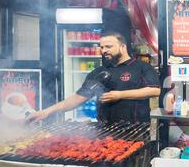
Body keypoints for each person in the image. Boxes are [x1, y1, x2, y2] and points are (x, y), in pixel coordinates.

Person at [26, 31, 161, 124]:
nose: (104, 50)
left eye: (109, 46)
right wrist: (47, 111)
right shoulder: (99, 72)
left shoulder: (141, 67)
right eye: (102, 47)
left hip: (136, 129)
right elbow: (78, 98)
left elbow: (154, 91)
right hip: (105, 129)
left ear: (123, 47)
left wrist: (120, 95)